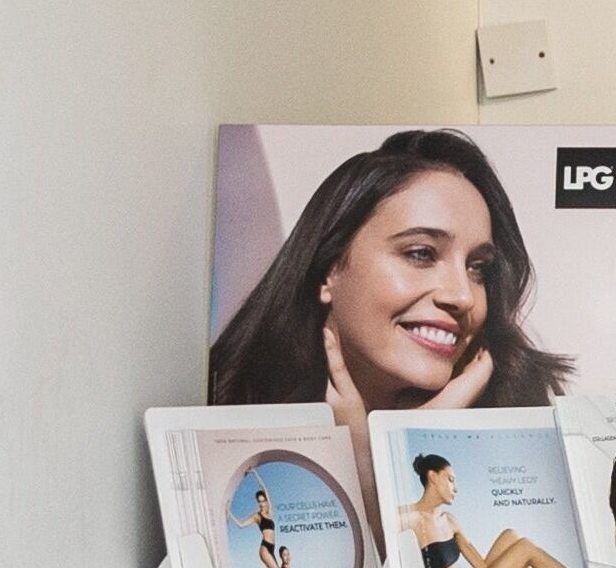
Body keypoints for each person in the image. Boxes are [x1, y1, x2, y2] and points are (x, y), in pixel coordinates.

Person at [209, 130, 571, 520]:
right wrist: (361, 465)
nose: (463, 296)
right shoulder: (226, 414)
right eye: (421, 254)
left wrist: (407, 446)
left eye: (477, 268)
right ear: (330, 267)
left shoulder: (522, 427)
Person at [401, 452, 587, 568]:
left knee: (511, 535)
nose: (455, 488)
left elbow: (482, 567)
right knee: (525, 548)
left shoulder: (450, 520)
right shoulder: (411, 517)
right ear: (433, 477)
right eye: (450, 479)